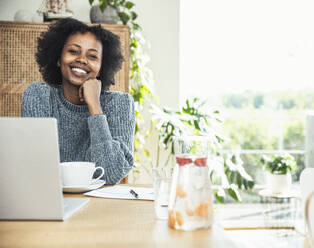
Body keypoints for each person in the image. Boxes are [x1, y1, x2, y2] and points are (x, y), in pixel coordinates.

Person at [21, 18, 135, 185]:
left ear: (102, 66)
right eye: (73, 51)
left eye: (92, 56)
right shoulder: (39, 95)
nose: (82, 60)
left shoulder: (120, 104)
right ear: (58, 59)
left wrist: (95, 107)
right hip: (51, 200)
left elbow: (111, 174)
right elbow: (34, 168)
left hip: (101, 206)